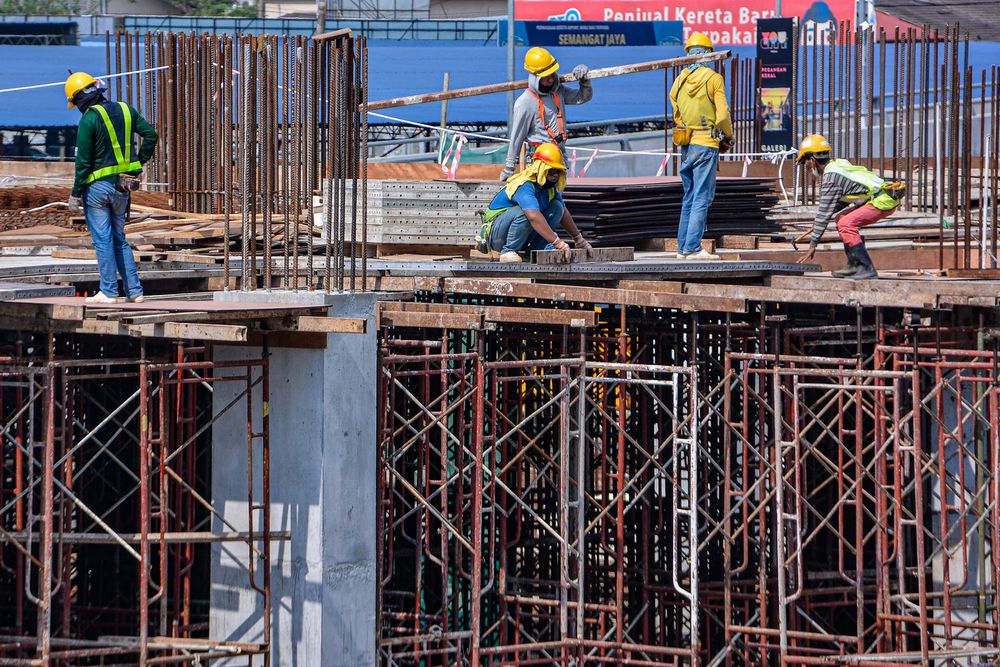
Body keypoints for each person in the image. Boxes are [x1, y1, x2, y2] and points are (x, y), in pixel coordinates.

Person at [65, 71, 158, 304]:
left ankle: (108, 292)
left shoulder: (89, 119)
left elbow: (83, 162)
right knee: (119, 239)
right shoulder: (126, 109)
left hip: (97, 190)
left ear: (79, 99)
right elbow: (151, 135)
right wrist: (137, 165)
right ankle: (134, 291)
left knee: (103, 240)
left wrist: (76, 192)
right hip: (122, 188)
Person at [795, 133, 905, 279]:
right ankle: (853, 265)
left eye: (805, 162)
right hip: (880, 197)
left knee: (846, 224)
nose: (806, 166)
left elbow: (824, 211)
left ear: (813, 159)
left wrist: (813, 245)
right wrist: (820, 222)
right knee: (841, 218)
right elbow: (842, 200)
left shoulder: (830, 178)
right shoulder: (837, 165)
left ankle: (865, 267)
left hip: (882, 200)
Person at [669, 32, 733, 260]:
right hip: (706, 144)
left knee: (689, 196)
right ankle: (693, 248)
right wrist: (728, 134)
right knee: (701, 197)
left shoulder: (679, 81)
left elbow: (677, 114)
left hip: (687, 145)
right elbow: (722, 115)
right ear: (708, 54)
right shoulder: (713, 79)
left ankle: (682, 248)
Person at [476, 142, 593, 263]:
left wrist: (579, 239)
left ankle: (534, 251)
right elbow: (533, 216)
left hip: (520, 234)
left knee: (557, 207)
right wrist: (558, 242)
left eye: (558, 171)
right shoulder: (524, 185)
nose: (556, 175)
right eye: (552, 171)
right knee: (527, 212)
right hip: (497, 236)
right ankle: (509, 251)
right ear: (540, 168)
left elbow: (563, 213)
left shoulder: (549, 188)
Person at [501, 47, 592, 181]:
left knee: (557, 194)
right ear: (535, 76)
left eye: (552, 74)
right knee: (541, 194)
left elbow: (582, 97)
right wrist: (509, 168)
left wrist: (585, 81)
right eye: (546, 76)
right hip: (539, 163)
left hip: (559, 159)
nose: (550, 79)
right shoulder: (525, 102)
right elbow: (517, 137)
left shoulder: (558, 91)